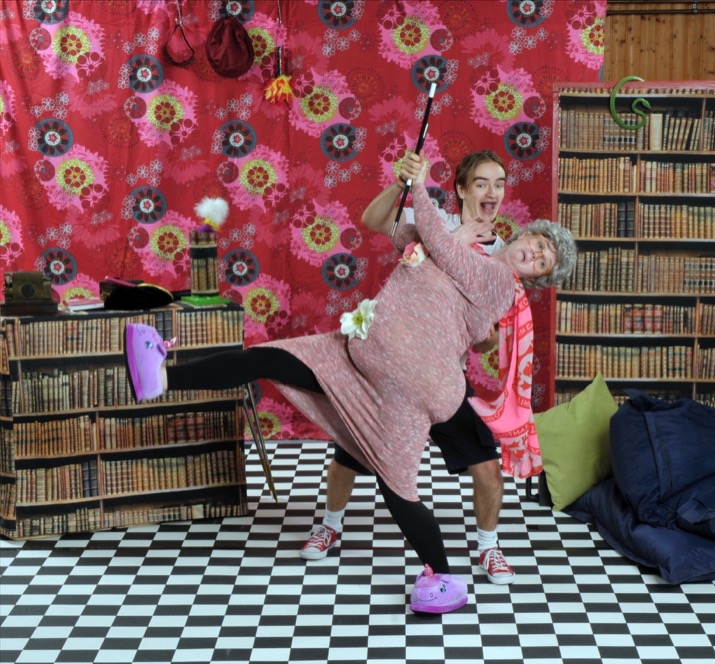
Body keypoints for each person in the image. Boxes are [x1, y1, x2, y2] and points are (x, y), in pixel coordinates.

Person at [123, 154, 577, 614]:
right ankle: (160, 376)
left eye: (543, 263)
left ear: (537, 278)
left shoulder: (501, 281)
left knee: (398, 487)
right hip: (357, 361)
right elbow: (399, 230)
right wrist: (404, 187)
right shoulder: (449, 231)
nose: (535, 255)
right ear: (524, 232)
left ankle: (444, 577)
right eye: (539, 245)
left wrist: (423, 191)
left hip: (413, 391)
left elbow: (447, 253)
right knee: (266, 358)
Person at [300, 150, 521, 586]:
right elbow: (373, 219)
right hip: (395, 369)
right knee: (350, 448)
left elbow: (488, 338)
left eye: (499, 184)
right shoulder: (433, 221)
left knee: (487, 469)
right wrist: (402, 182)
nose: (492, 192)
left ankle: (489, 547)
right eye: (482, 183)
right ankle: (330, 525)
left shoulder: (500, 254)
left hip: (442, 380)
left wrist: (485, 333)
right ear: (462, 189)